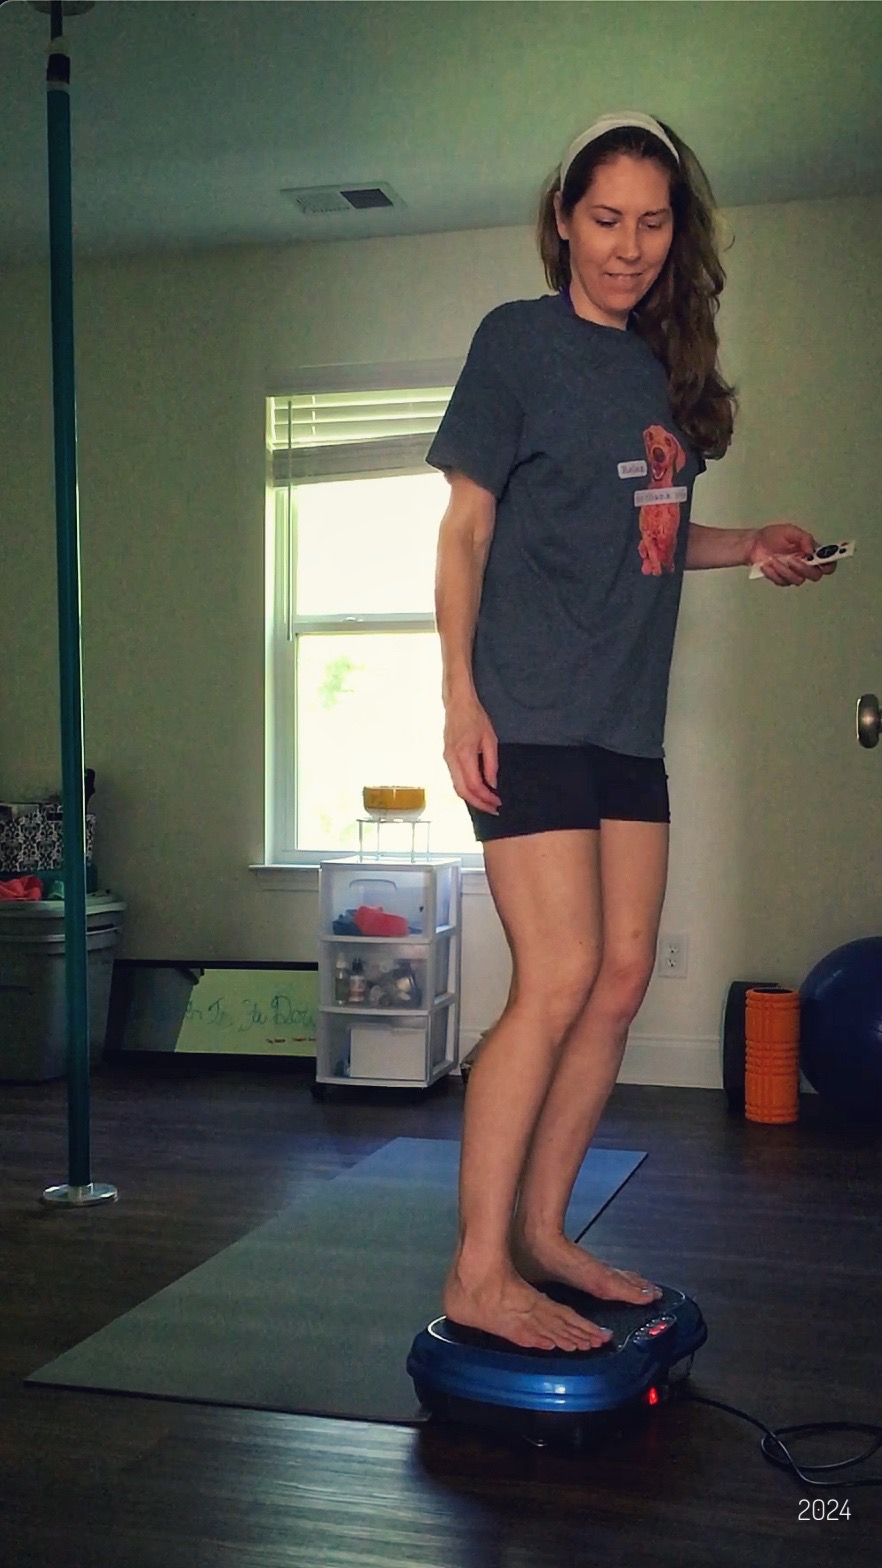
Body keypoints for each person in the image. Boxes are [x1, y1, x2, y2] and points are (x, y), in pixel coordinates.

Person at [427, 110, 836, 1354]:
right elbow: (465, 531)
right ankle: (476, 1272)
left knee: (614, 978)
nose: (628, 245)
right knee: (552, 979)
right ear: (564, 218)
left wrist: (747, 542)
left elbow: (650, 535)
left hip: (622, 720)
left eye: (653, 223)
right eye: (605, 218)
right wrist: (458, 694)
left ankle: (547, 1234)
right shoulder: (518, 343)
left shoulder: (662, 372)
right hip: (530, 705)